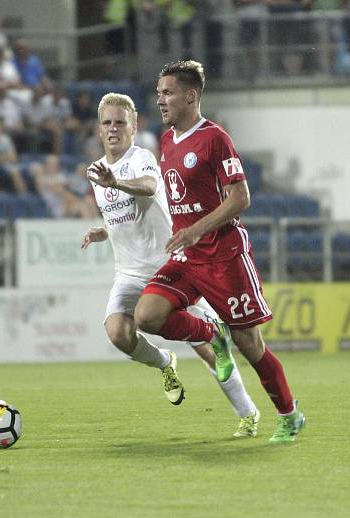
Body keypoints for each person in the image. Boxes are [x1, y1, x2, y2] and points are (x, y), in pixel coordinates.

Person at [134, 60, 305, 443]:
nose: (160, 100)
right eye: (159, 93)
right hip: (187, 257)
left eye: (168, 93)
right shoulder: (166, 141)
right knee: (146, 316)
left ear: (190, 95)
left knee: (251, 345)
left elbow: (241, 197)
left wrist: (195, 229)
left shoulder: (214, 138)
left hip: (225, 257)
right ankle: (212, 334)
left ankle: (289, 414)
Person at [82, 92, 260, 437]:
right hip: (130, 273)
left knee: (209, 351)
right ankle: (165, 362)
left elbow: (149, 188)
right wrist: (105, 231)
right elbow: (127, 214)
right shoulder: (97, 172)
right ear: (99, 129)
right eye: (107, 123)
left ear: (133, 127)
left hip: (173, 266)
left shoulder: (142, 159)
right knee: (118, 333)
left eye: (120, 122)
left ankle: (248, 413)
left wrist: (116, 182)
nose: (113, 128)